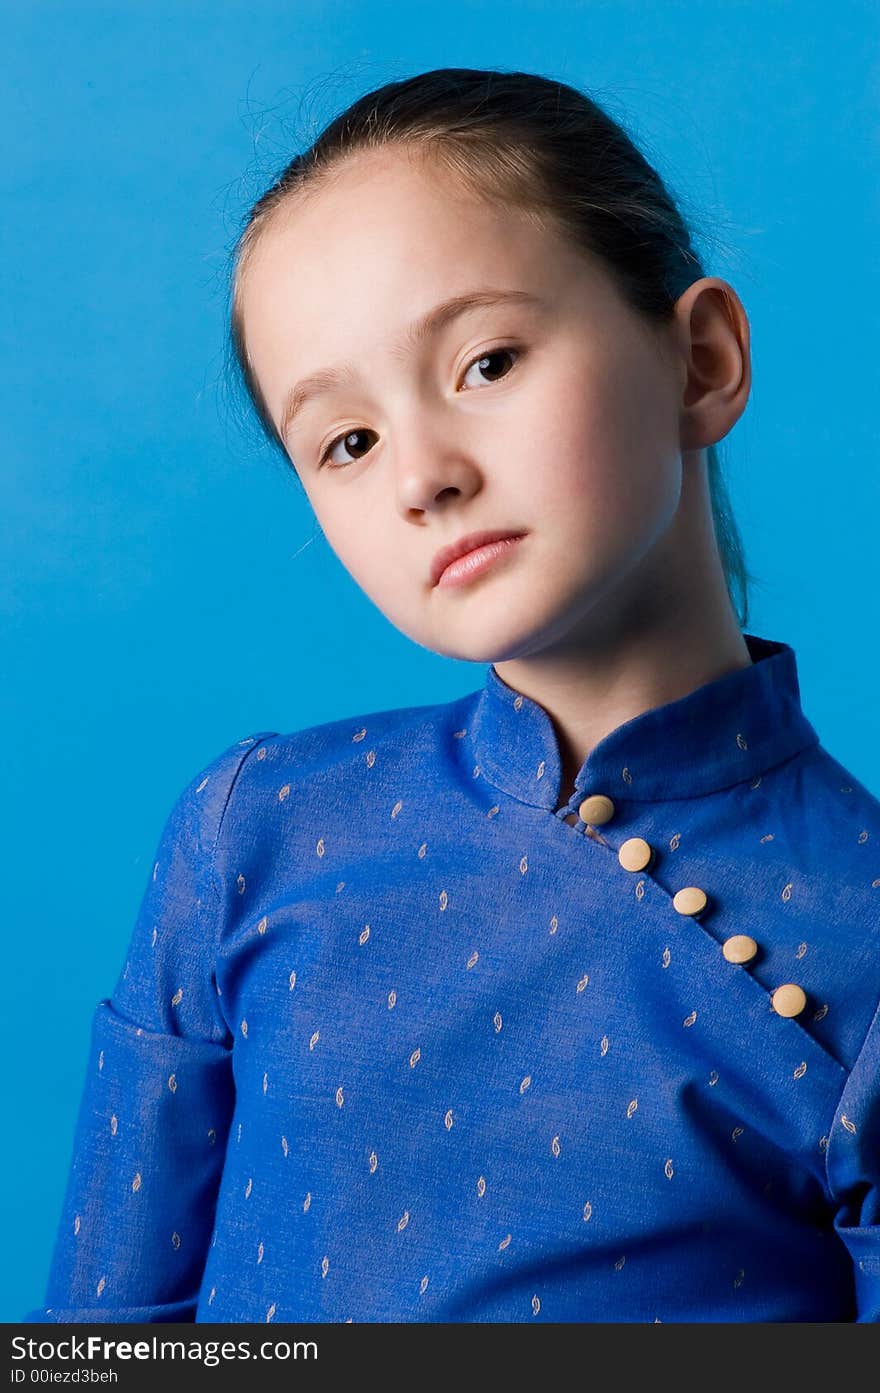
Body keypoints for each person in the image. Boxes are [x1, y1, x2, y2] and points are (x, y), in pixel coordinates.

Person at [24, 66, 880, 1325]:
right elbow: (96, 1340)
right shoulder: (253, 831)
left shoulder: (854, 922)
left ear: (698, 358)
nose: (423, 474)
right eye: (347, 441)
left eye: (485, 361)